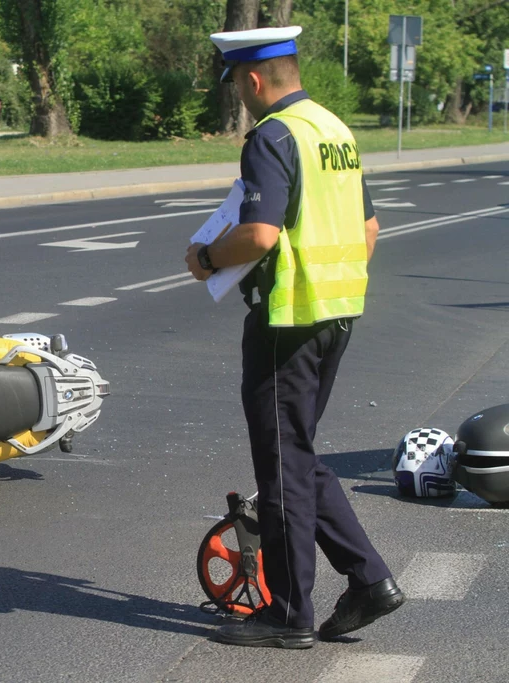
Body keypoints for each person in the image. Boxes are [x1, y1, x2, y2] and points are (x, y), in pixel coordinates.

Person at [184, 26, 404, 650]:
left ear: (252, 80)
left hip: (288, 323)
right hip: (335, 315)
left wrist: (204, 256)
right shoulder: (332, 129)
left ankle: (288, 614)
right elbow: (368, 228)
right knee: (297, 454)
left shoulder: (272, 137)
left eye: (235, 84)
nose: (238, 96)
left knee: (281, 465)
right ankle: (369, 581)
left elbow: (258, 235)